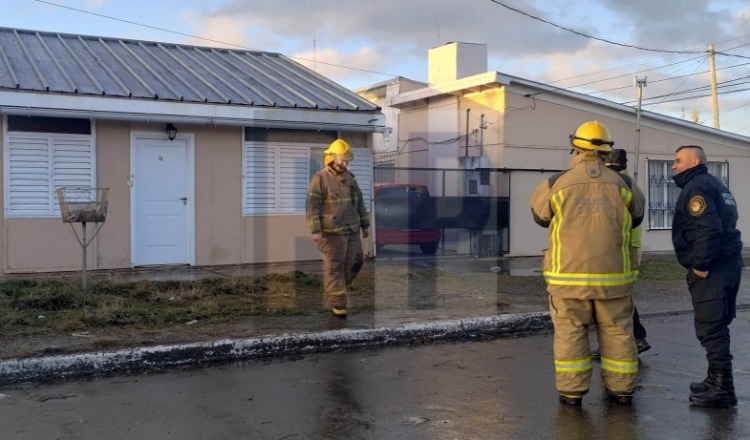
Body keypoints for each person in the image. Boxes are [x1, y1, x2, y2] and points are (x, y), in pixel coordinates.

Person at [530, 121, 645, 406]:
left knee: (570, 334)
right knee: (618, 332)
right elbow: (638, 216)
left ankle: (572, 393)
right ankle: (622, 390)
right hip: (614, 279)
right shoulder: (625, 184)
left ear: (576, 147)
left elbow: (540, 216)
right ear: (607, 150)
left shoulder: (556, 183)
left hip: (567, 278)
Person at [671, 145, 743, 407]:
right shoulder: (715, 184)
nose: (673, 166)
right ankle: (714, 379)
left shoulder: (697, 187)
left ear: (694, 162)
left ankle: (723, 389)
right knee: (717, 325)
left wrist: (700, 266)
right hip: (728, 265)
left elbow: (709, 229)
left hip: (713, 269)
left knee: (711, 328)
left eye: (678, 161)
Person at [591, 149, 651, 358]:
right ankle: (637, 338)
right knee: (620, 295)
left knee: (609, 298)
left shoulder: (612, 184)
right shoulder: (629, 184)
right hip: (630, 247)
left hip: (617, 247)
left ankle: (626, 341)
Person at [306, 139, 370, 318]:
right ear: (332, 158)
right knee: (335, 266)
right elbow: (312, 206)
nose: (345, 164)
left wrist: (365, 225)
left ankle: (340, 286)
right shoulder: (320, 178)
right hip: (331, 232)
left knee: (356, 261)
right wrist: (315, 230)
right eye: (343, 160)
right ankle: (337, 304)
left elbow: (359, 203)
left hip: (352, 229)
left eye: (347, 161)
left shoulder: (350, 178)